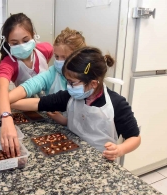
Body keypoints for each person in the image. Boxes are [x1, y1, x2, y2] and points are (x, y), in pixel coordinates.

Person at [9, 46, 141, 161]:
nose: (68, 86)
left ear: (93, 83)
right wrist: (7, 104)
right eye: (67, 81)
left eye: (72, 83)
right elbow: (38, 103)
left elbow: (134, 138)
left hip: (101, 160)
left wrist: (119, 149)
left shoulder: (116, 103)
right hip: (73, 154)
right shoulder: (70, 96)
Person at [0, 27, 86, 127]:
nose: (59, 61)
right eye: (56, 57)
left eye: (65, 57)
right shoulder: (53, 73)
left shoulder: (88, 80)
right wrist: (2, 105)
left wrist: (2, 105)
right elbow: (28, 87)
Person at [0, 13, 53, 158]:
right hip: (31, 111)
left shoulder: (45, 50)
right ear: (7, 43)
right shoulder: (9, 63)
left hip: (54, 110)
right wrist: (6, 117)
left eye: (26, 40)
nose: (22, 46)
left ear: (34, 36)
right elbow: (1, 88)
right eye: (14, 43)